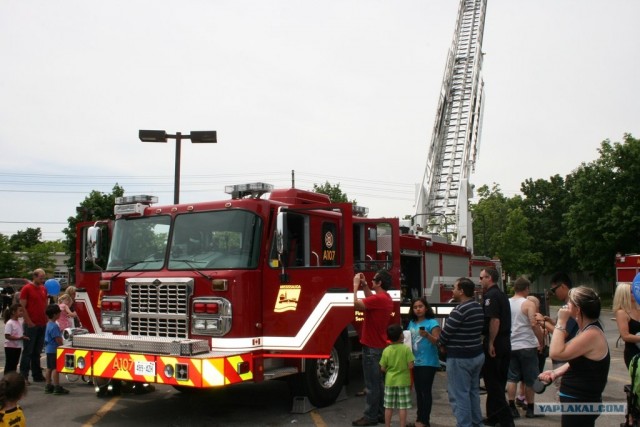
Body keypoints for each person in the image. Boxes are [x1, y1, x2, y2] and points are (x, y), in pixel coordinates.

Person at [538, 286, 610, 427]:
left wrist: (561, 321)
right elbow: (580, 359)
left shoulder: (591, 334)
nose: (565, 305)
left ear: (578, 309)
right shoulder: (586, 329)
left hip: (580, 400)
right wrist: (556, 372)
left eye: (569, 302)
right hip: (578, 398)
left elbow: (556, 352)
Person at [437, 277, 485, 427]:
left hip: (460, 358)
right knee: (473, 393)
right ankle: (477, 422)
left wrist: (441, 344)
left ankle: (464, 424)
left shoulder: (460, 310)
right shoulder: (477, 307)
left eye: (455, 288)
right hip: (477, 355)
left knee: (459, 395)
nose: (452, 290)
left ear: (462, 291)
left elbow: (445, 333)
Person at [352, 270, 394, 427]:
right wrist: (364, 285)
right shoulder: (385, 298)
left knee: (371, 385)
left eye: (374, 279)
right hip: (379, 346)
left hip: (371, 348)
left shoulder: (379, 299)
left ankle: (370, 416)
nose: (372, 280)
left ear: (380, 282)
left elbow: (357, 304)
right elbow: (371, 298)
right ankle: (381, 413)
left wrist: (355, 286)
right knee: (379, 383)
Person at [534, 272, 579, 395]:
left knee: (563, 392)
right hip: (567, 355)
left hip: (566, 355)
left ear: (563, 286)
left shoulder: (571, 306)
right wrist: (552, 322)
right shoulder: (569, 305)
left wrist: (543, 323)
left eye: (554, 290)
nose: (553, 293)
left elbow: (563, 333)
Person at [479, 267, 513, 427]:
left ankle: (507, 421)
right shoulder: (501, 294)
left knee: (493, 385)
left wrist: (491, 342)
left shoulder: (491, 296)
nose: (480, 281)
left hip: (496, 343)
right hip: (505, 342)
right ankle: (493, 416)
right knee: (498, 382)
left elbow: (494, 320)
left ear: (489, 278)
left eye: (482, 277)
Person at [506, 277, 543, 419]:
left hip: (511, 344)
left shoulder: (507, 303)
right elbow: (534, 324)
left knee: (512, 378)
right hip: (527, 344)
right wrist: (541, 341)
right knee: (530, 378)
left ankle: (511, 407)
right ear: (526, 288)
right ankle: (530, 408)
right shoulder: (528, 303)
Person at [407, 297, 440, 427]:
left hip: (428, 362)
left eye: (420, 306)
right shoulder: (411, 323)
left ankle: (424, 421)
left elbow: (437, 341)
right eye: (415, 307)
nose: (418, 309)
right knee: (419, 392)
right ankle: (419, 419)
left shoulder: (432, 323)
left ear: (426, 308)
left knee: (425, 391)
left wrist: (427, 335)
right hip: (415, 362)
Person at [380, 323, 415, 427]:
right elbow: (411, 365)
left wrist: (390, 370)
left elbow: (382, 367)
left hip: (390, 381)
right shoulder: (406, 349)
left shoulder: (386, 350)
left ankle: (387, 425)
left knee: (388, 406)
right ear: (402, 335)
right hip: (403, 381)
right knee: (402, 407)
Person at [19, 268, 48, 384]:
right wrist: (28, 321)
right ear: (34, 277)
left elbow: (45, 304)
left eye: (43, 278)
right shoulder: (26, 288)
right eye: (41, 278)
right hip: (31, 324)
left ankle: (37, 375)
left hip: (42, 323)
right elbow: (22, 307)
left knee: (37, 352)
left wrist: (46, 319)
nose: (42, 280)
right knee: (28, 351)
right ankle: (23, 376)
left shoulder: (43, 289)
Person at [43, 304, 70, 395]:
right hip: (54, 349)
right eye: (59, 313)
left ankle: (48, 385)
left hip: (48, 349)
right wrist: (62, 345)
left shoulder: (48, 324)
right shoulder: (54, 326)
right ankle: (57, 386)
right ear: (55, 314)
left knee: (49, 368)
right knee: (55, 368)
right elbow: (57, 339)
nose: (60, 314)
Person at [612, 282, 640, 368]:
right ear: (624, 295)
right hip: (633, 353)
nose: (635, 293)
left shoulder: (638, 308)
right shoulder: (622, 313)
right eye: (631, 292)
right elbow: (625, 336)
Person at [4, 303, 29, 374]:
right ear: (13, 312)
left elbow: (20, 333)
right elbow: (7, 336)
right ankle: (6, 380)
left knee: (14, 364)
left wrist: (23, 337)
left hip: (17, 347)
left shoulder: (18, 322)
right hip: (10, 347)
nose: (22, 312)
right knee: (10, 365)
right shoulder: (9, 323)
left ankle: (12, 380)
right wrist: (19, 338)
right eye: (20, 311)